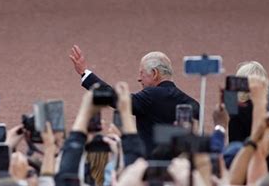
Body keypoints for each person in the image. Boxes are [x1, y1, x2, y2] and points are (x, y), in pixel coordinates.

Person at [69, 45, 200, 154]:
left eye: (141, 73)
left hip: (151, 170)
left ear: (154, 73)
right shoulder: (193, 104)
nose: (139, 79)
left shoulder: (150, 96)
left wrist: (84, 73)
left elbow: (116, 98)